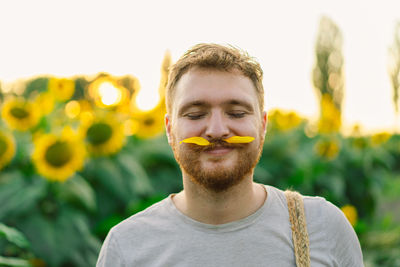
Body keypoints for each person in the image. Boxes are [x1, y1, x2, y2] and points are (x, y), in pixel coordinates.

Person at [96, 43, 364, 266]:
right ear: (169, 130)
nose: (216, 130)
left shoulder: (324, 228)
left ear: (262, 125)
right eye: (195, 114)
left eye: (236, 113)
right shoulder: (127, 247)